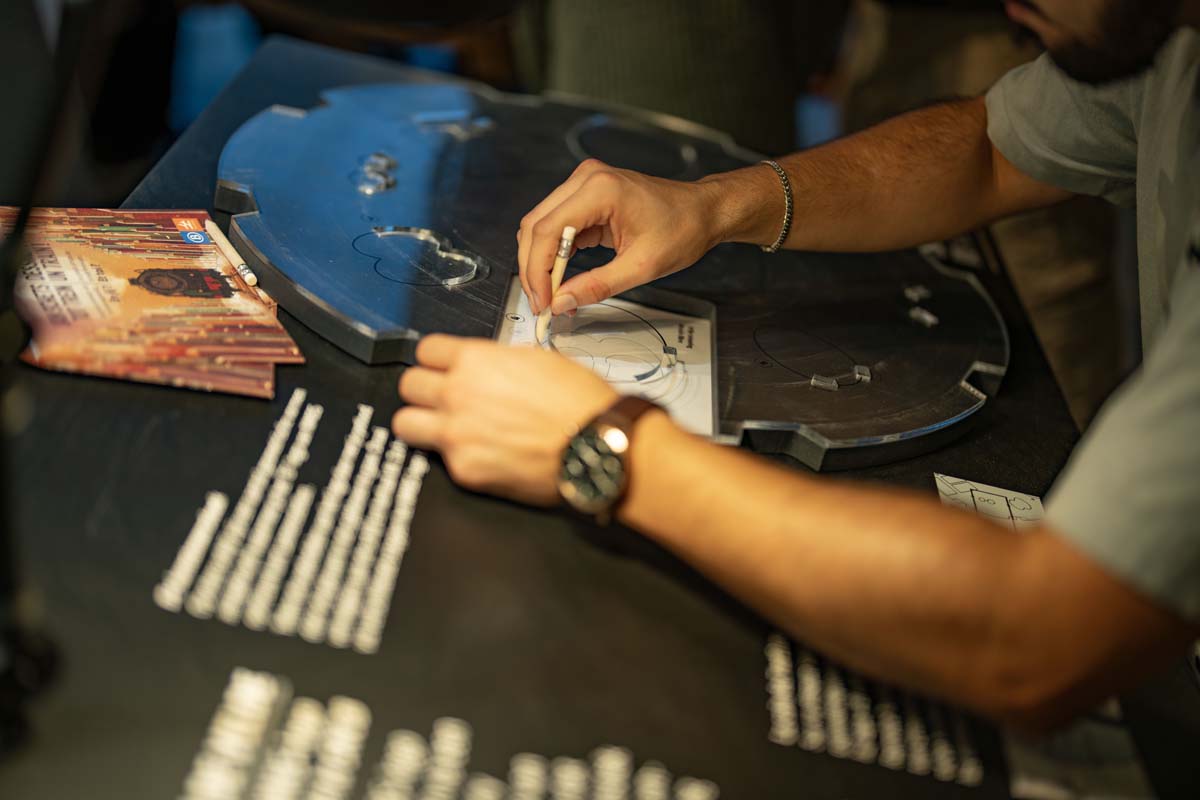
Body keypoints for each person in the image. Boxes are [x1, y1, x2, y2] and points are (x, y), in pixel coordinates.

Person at [392, 0, 1200, 731]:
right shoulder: (1159, 44)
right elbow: (996, 150)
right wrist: (713, 205)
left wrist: (605, 446)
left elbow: (1034, 637)